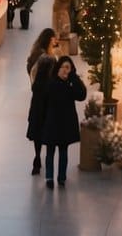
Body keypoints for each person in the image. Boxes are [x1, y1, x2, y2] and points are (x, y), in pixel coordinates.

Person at [41, 55, 87, 188]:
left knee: (63, 151)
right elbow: (43, 103)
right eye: (65, 67)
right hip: (52, 122)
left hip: (65, 123)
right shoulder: (51, 83)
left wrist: (74, 77)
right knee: (50, 151)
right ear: (58, 68)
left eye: (69, 68)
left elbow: (82, 95)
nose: (67, 70)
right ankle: (49, 177)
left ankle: (61, 177)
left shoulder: (70, 85)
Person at [27, 54, 56, 175]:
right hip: (48, 115)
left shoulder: (37, 84)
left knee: (37, 138)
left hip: (36, 114)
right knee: (50, 140)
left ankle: (37, 157)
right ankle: (49, 166)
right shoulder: (52, 84)